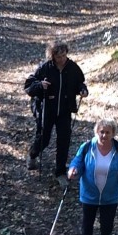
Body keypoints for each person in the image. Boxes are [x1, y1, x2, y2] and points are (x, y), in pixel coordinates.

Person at [24, 40, 88, 183]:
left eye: (64, 55)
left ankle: (60, 172)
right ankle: (33, 154)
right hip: (46, 109)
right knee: (44, 139)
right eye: (58, 56)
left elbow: (80, 83)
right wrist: (40, 85)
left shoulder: (73, 68)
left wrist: (83, 90)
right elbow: (29, 87)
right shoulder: (45, 68)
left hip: (65, 110)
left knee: (64, 140)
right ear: (52, 56)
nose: (62, 59)